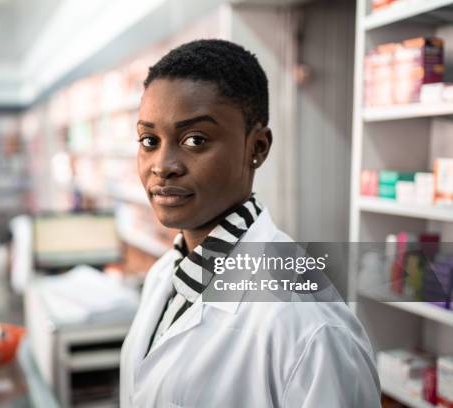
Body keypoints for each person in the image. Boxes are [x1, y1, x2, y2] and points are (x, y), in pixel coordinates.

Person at [119, 39, 381, 407]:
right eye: (149, 140)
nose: (163, 166)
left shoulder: (309, 322)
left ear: (257, 147)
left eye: (195, 140)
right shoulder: (165, 276)